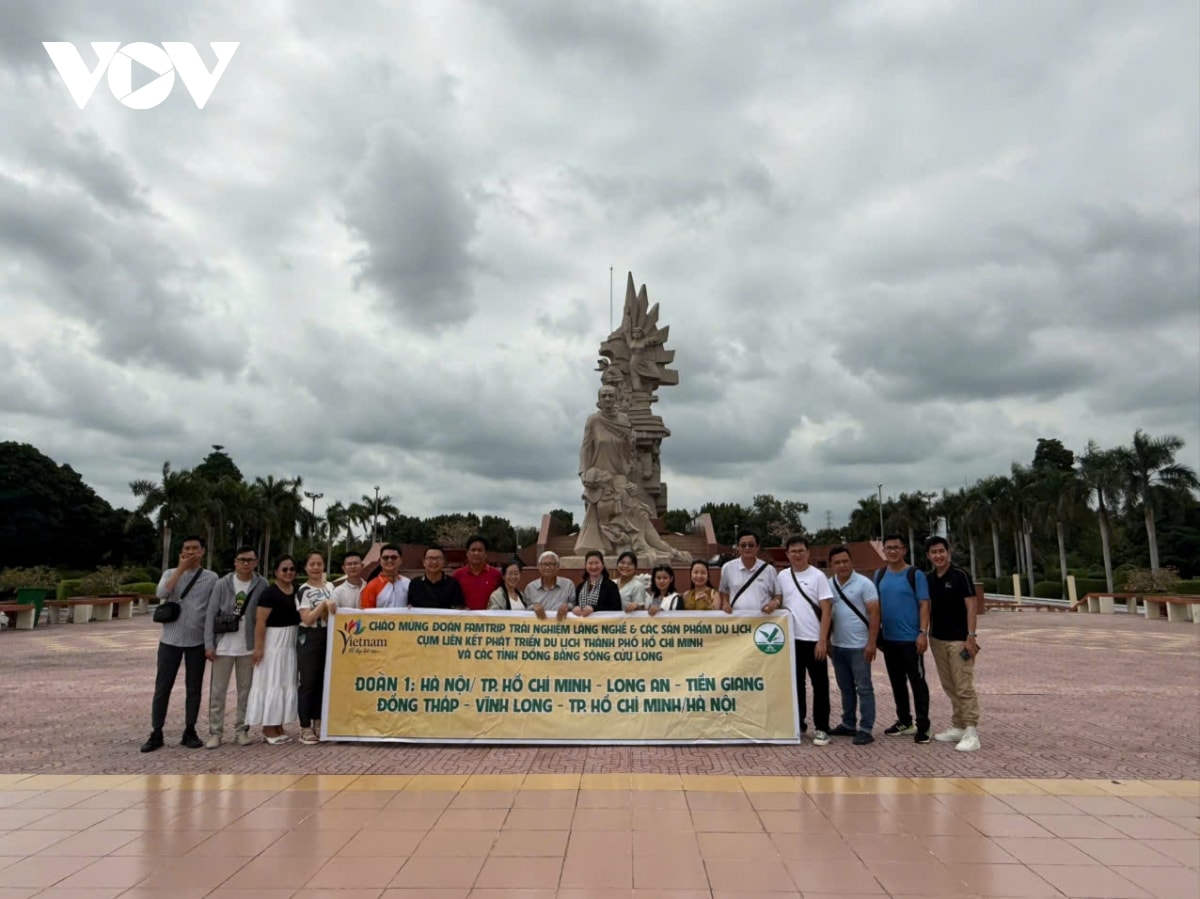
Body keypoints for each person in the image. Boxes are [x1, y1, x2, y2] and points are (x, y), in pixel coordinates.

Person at [141, 535, 218, 753]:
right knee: (162, 687)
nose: (191, 551)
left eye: (195, 548)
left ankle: (190, 729)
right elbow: (161, 593)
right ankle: (156, 731)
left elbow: (212, 611)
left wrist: (210, 642)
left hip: (196, 641)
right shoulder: (169, 574)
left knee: (194, 688)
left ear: (202, 551)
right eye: (187, 548)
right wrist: (180, 569)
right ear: (181, 551)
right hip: (170, 640)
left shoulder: (211, 578)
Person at [772, 536, 833, 747]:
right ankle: (798, 723)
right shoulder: (782, 576)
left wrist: (823, 640)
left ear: (808, 552)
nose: (797, 555)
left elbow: (826, 609)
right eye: (793, 551)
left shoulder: (818, 576)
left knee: (820, 685)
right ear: (787, 554)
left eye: (801, 551)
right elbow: (778, 600)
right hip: (791, 641)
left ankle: (822, 728)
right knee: (795, 685)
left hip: (814, 640)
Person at [202, 545, 266, 749]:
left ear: (256, 562)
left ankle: (241, 730)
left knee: (245, 691)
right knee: (218, 691)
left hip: (247, 646)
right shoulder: (223, 584)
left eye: (250, 560)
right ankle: (215, 732)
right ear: (235, 562)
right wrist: (209, 643)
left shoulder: (261, 583)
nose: (246, 563)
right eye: (242, 560)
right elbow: (211, 613)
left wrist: (259, 646)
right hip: (224, 645)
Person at [925, 536, 982, 752]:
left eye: (941, 551)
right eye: (933, 552)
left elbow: (971, 606)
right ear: (928, 556)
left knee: (963, 685)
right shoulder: (929, 579)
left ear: (948, 552)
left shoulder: (960, 576)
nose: (938, 555)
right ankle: (958, 725)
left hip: (960, 640)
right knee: (949, 685)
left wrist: (971, 636)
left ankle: (971, 731)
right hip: (937, 639)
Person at [875, 534, 932, 744]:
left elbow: (925, 604)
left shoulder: (915, 574)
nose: (892, 551)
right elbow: (876, 606)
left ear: (904, 550)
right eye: (888, 548)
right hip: (889, 640)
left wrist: (922, 633)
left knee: (917, 682)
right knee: (897, 683)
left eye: (896, 547)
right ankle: (904, 720)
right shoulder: (880, 575)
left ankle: (924, 725)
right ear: (884, 551)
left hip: (911, 640)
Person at [826, 545, 880, 745]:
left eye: (845, 561)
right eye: (837, 562)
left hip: (859, 646)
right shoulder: (829, 585)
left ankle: (866, 727)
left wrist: (871, 643)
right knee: (845, 687)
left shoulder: (864, 584)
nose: (842, 565)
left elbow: (874, 613)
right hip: (838, 646)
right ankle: (848, 723)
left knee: (864, 687)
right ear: (831, 565)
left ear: (851, 562)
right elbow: (826, 614)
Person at [246, 556, 300, 745]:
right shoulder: (269, 593)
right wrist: (258, 648)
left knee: (285, 682)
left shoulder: (298, 591)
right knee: (272, 682)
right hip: (273, 644)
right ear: (276, 572)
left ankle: (278, 725)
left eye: (292, 569)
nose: (288, 573)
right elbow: (260, 621)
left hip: (290, 643)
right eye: (284, 569)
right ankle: (268, 727)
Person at [295, 551, 336, 745]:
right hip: (309, 637)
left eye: (319, 564)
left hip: (328, 635)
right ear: (306, 567)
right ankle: (305, 726)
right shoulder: (303, 590)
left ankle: (319, 721)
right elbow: (307, 618)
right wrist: (323, 605)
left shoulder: (330, 586)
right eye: (312, 564)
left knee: (323, 680)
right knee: (308, 681)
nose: (316, 567)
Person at [719, 530, 779, 615]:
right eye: (743, 545)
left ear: (757, 547)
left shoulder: (769, 570)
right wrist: (725, 603)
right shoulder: (727, 568)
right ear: (738, 547)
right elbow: (723, 591)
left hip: (763, 620)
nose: (747, 548)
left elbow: (778, 595)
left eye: (751, 545)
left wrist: (775, 603)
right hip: (737, 620)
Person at [453, 535, 503, 611]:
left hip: (490, 620)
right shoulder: (457, 575)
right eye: (473, 550)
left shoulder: (496, 575)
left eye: (480, 550)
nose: (476, 553)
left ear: (486, 554)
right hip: (465, 621)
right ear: (467, 553)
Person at [524, 551, 575, 620]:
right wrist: (533, 607)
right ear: (539, 567)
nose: (548, 567)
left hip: (562, 626)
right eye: (544, 564)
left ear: (558, 566)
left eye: (551, 564)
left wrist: (567, 606)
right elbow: (524, 610)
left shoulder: (568, 585)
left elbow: (574, 604)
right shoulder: (530, 587)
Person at [360, 544, 410, 609]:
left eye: (394, 557)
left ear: (400, 560)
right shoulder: (371, 586)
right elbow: (366, 614)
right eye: (385, 557)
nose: (389, 560)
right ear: (380, 560)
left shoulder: (408, 582)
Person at [574, 550, 622, 616]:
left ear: (603, 565)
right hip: (583, 625)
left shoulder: (611, 586)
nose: (594, 567)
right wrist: (575, 608)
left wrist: (594, 608)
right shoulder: (580, 587)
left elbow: (616, 609)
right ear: (585, 565)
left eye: (597, 563)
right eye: (590, 563)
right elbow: (576, 604)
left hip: (604, 625)